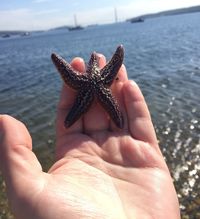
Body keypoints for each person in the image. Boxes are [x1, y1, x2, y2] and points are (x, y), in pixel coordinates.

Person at [0, 54, 181, 219]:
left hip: (89, 91)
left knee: (79, 114)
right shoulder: (101, 80)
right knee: (108, 112)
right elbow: (105, 67)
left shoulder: (83, 81)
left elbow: (73, 75)